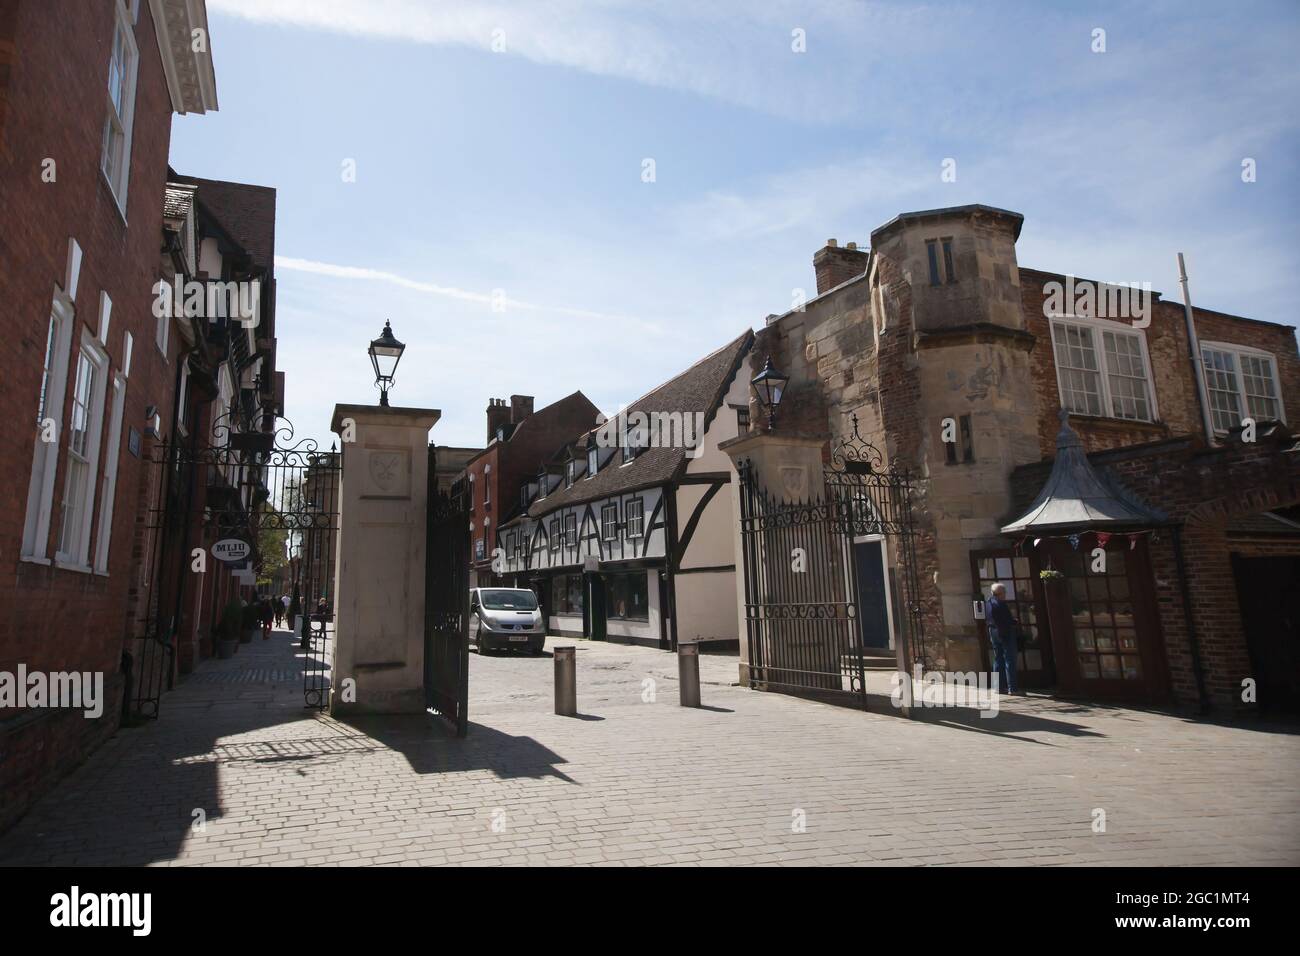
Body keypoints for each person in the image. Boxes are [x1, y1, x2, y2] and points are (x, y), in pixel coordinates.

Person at [986, 582, 1022, 695]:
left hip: (993, 631)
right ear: (1000, 593)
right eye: (1004, 592)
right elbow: (1005, 620)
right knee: (1009, 659)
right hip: (1004, 632)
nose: (1005, 594)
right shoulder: (1001, 604)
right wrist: (1014, 622)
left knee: (998, 659)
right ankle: (1013, 688)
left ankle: (999, 687)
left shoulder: (988, 602)